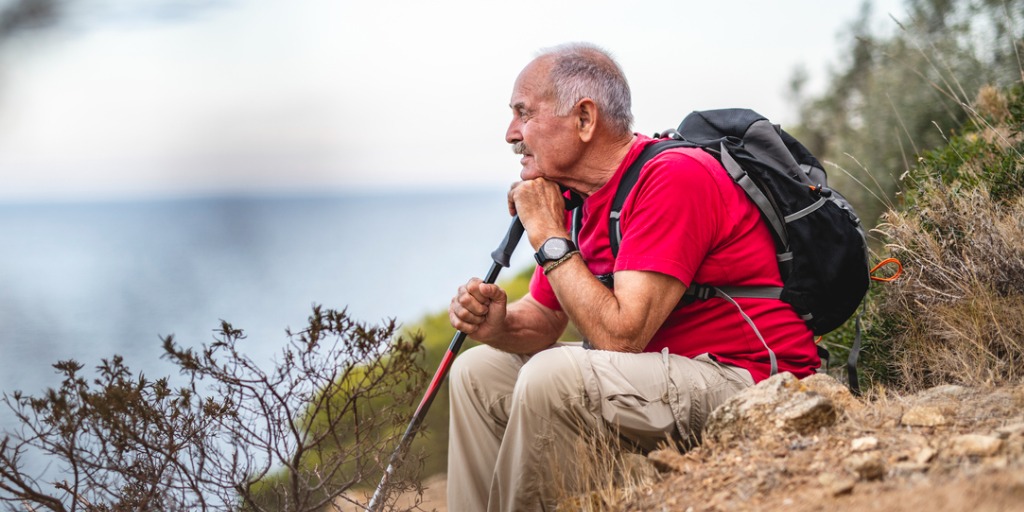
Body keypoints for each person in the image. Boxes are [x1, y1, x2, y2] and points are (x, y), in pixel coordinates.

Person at [446, 42, 820, 512]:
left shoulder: (673, 177)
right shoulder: (579, 200)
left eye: (524, 113)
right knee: (477, 372)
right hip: (665, 374)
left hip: (750, 379)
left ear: (584, 119)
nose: (510, 133)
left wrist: (545, 233)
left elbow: (621, 338)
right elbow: (544, 318)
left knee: (552, 376)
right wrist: (497, 325)